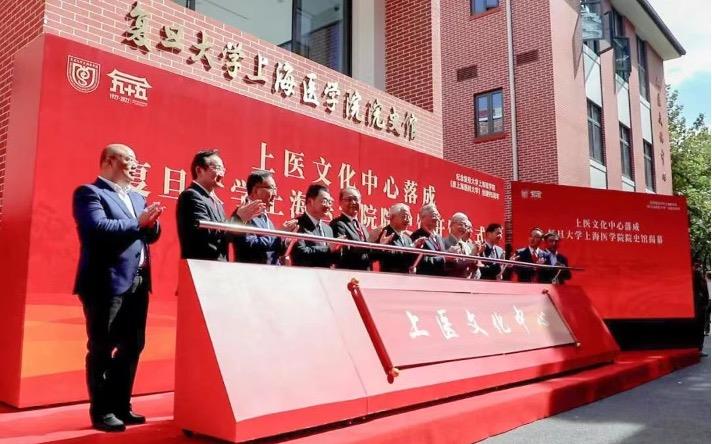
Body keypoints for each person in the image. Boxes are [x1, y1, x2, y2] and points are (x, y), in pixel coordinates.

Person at [73, 143, 163, 432]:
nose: (135, 165)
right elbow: (98, 229)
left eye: (136, 160)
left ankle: (121, 405)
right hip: (105, 282)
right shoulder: (90, 193)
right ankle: (101, 412)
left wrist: (152, 223)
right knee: (102, 346)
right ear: (109, 161)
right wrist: (139, 222)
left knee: (133, 345)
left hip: (138, 281)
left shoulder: (137, 196)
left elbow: (149, 234)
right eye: (129, 159)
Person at [176, 150, 261, 261]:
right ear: (199, 170)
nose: (222, 173)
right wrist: (238, 218)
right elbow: (205, 234)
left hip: (218, 266)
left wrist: (242, 220)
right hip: (200, 265)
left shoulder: (216, 201)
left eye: (223, 169)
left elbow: (225, 236)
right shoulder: (191, 196)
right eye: (217, 168)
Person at [231, 170, 294, 264]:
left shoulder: (264, 216)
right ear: (255, 190)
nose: (275, 194)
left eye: (275, 189)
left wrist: (286, 242)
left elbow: (271, 247)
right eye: (271, 188)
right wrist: (278, 235)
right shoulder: (242, 214)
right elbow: (248, 244)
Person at [291, 183, 342, 267]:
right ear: (310, 201)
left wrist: (338, 249)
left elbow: (332, 258)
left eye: (330, 202)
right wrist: (328, 248)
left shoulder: (328, 229)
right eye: (324, 201)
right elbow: (301, 254)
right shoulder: (297, 224)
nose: (328, 206)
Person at [375, 203, 427, 274]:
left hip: (406, 277)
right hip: (390, 277)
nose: (407, 220)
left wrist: (416, 248)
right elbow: (392, 258)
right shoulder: (385, 234)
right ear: (392, 217)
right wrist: (411, 247)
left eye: (409, 217)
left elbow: (410, 260)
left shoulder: (407, 238)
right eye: (404, 216)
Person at [330, 187, 372, 270]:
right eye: (349, 199)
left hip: (366, 274)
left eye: (356, 199)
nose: (353, 202)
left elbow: (368, 255)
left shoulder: (362, 227)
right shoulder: (338, 224)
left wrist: (380, 246)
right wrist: (369, 242)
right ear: (340, 202)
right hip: (348, 273)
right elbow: (345, 252)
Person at [410, 203, 447, 276]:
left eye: (438, 215)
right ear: (422, 218)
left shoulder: (438, 237)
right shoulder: (417, 236)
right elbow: (419, 261)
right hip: (424, 277)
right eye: (434, 215)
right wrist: (443, 259)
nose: (437, 218)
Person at [443, 212, 478, 278]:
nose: (463, 227)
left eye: (465, 225)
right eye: (461, 224)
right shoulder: (443, 242)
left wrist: (475, 262)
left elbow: (473, 270)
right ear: (451, 225)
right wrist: (471, 257)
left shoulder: (467, 246)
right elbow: (449, 266)